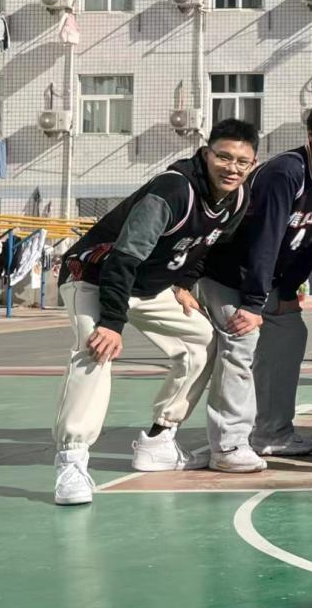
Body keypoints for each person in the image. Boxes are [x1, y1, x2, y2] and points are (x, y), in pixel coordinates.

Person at [51, 119, 257, 505]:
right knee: (95, 349)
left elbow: (205, 246)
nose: (232, 168)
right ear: (206, 154)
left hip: (147, 288)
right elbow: (123, 258)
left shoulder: (237, 197)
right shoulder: (173, 190)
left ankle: (159, 440)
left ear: (252, 164)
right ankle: (71, 461)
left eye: (242, 162)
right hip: (94, 276)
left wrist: (183, 284)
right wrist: (112, 323)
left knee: (201, 340)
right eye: (224, 157)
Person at [198, 102, 312, 469]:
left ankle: (272, 434)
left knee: (290, 335)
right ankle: (227, 445)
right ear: (311, 135)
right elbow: (265, 238)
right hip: (227, 272)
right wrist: (254, 303)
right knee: (240, 344)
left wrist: (287, 290)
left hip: (268, 279)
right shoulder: (286, 172)